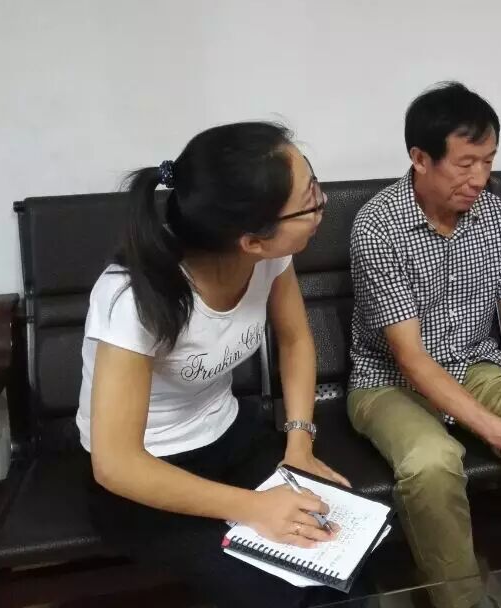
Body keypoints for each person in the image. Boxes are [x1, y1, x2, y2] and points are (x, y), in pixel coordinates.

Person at [78, 122, 348, 608]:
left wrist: (299, 443)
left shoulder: (272, 257)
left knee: (339, 560)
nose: (321, 206)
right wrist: (255, 508)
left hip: (230, 438)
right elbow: (116, 464)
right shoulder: (131, 297)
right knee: (272, 593)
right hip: (148, 477)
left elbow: (295, 341)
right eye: (310, 201)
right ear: (252, 240)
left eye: (314, 186)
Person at [347, 82, 501, 608]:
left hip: (474, 362)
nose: (479, 178)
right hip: (388, 380)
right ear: (420, 158)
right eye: (465, 163)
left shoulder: (494, 215)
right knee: (431, 463)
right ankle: (462, 602)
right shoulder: (377, 226)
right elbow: (410, 357)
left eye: (489, 161)